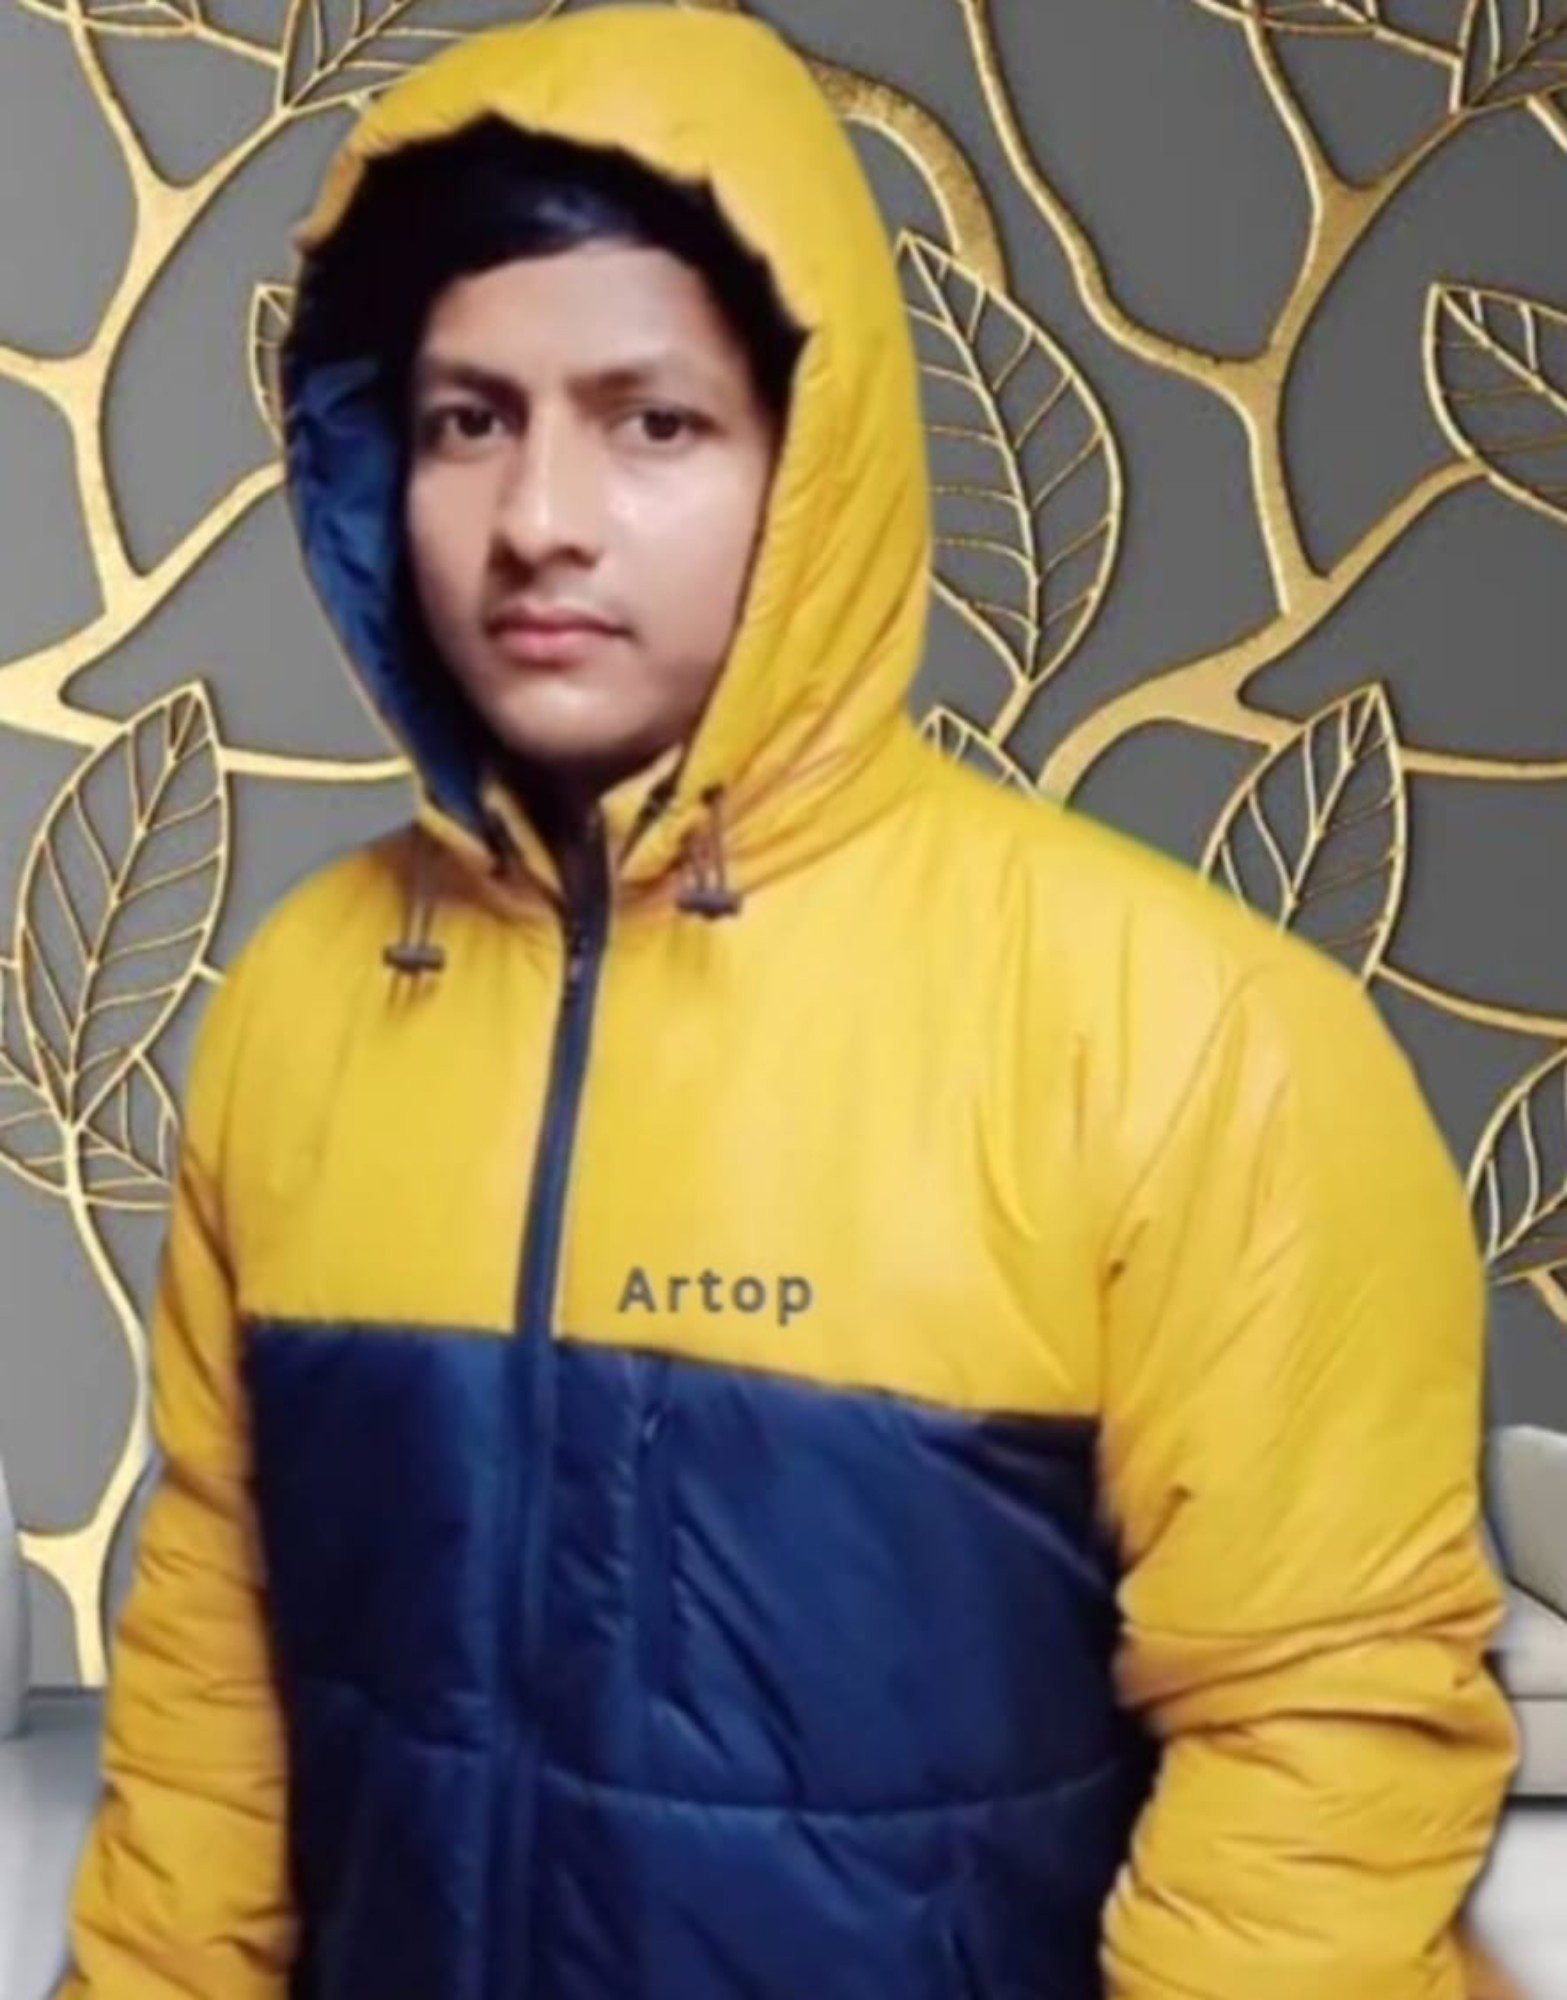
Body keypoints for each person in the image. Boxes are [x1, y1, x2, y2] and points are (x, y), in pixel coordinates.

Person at [55, 7, 1522, 1997]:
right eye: (470, 418)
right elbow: (210, 1696)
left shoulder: (1194, 1039)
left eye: (650, 421)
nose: (538, 516)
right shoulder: (304, 998)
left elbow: (1322, 1753)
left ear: (812, 459)